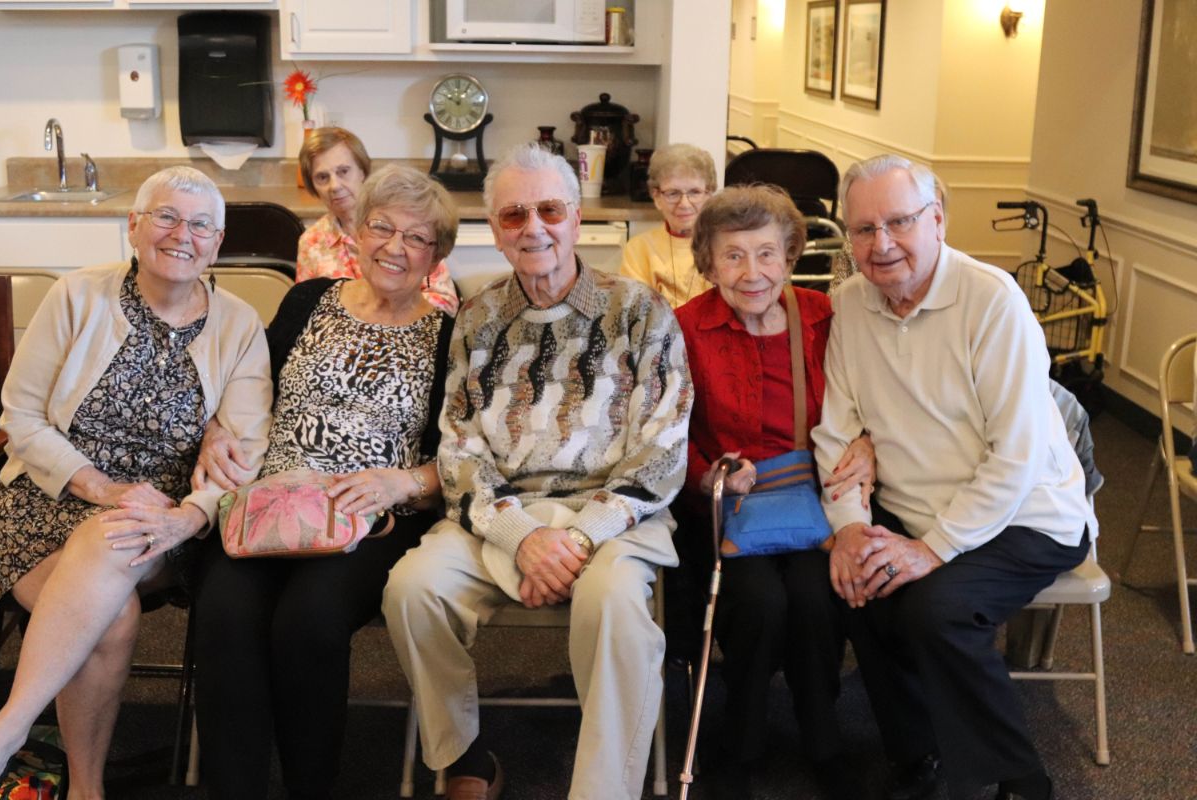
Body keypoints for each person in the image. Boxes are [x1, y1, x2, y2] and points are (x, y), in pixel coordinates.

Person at [383, 143, 692, 800]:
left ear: (576, 219)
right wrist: (521, 535)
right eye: (514, 215)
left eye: (550, 210)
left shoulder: (641, 313)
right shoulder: (477, 318)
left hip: (613, 517)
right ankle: (465, 758)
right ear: (495, 232)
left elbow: (662, 453)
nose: (534, 228)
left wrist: (579, 538)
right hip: (502, 514)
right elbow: (460, 451)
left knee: (612, 602)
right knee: (412, 589)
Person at [811, 154, 1096, 800]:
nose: (881, 244)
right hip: (914, 509)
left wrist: (931, 549)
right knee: (856, 581)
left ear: (937, 220)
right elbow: (836, 429)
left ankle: (1018, 781)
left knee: (937, 610)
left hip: (1028, 515)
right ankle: (920, 756)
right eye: (862, 229)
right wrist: (853, 530)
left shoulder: (992, 302)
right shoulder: (850, 305)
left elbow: (1016, 458)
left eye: (899, 222)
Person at [0, 166, 272, 799]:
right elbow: (22, 417)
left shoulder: (239, 327)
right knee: (112, 615)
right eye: (166, 217)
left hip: (162, 522)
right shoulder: (76, 296)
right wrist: (102, 487)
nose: (183, 235)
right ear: (133, 227)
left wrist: (192, 515)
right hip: (49, 497)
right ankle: (87, 790)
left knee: (111, 539)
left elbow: (246, 452)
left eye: (201, 225)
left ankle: (8, 731)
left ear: (218, 241)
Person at [192, 164, 457, 800]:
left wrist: (402, 483)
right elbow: (243, 383)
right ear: (357, 233)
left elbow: (461, 455)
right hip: (267, 504)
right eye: (382, 227)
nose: (395, 247)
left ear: (436, 255)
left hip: (368, 519)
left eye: (416, 238)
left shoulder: (451, 334)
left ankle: (313, 788)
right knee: (224, 614)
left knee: (307, 620)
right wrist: (214, 430)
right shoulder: (307, 300)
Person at [675, 184, 874, 799]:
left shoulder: (823, 316)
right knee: (760, 601)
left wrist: (868, 440)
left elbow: (868, 397)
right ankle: (740, 743)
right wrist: (707, 472)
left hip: (812, 501)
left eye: (767, 254)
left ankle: (823, 737)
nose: (752, 272)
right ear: (708, 264)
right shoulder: (685, 327)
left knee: (818, 596)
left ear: (790, 258)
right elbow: (661, 431)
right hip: (722, 509)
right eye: (732, 256)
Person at [297, 125, 458, 315]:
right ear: (313, 187)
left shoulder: (406, 221)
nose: (335, 186)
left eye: (343, 171)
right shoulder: (311, 241)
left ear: (362, 172)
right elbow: (306, 309)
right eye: (322, 177)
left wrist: (386, 320)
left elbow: (444, 301)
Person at [619, 143, 716, 307]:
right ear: (657, 197)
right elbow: (637, 314)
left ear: (709, 194)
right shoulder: (639, 249)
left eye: (694, 192)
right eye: (673, 193)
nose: (684, 204)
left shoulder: (726, 246)